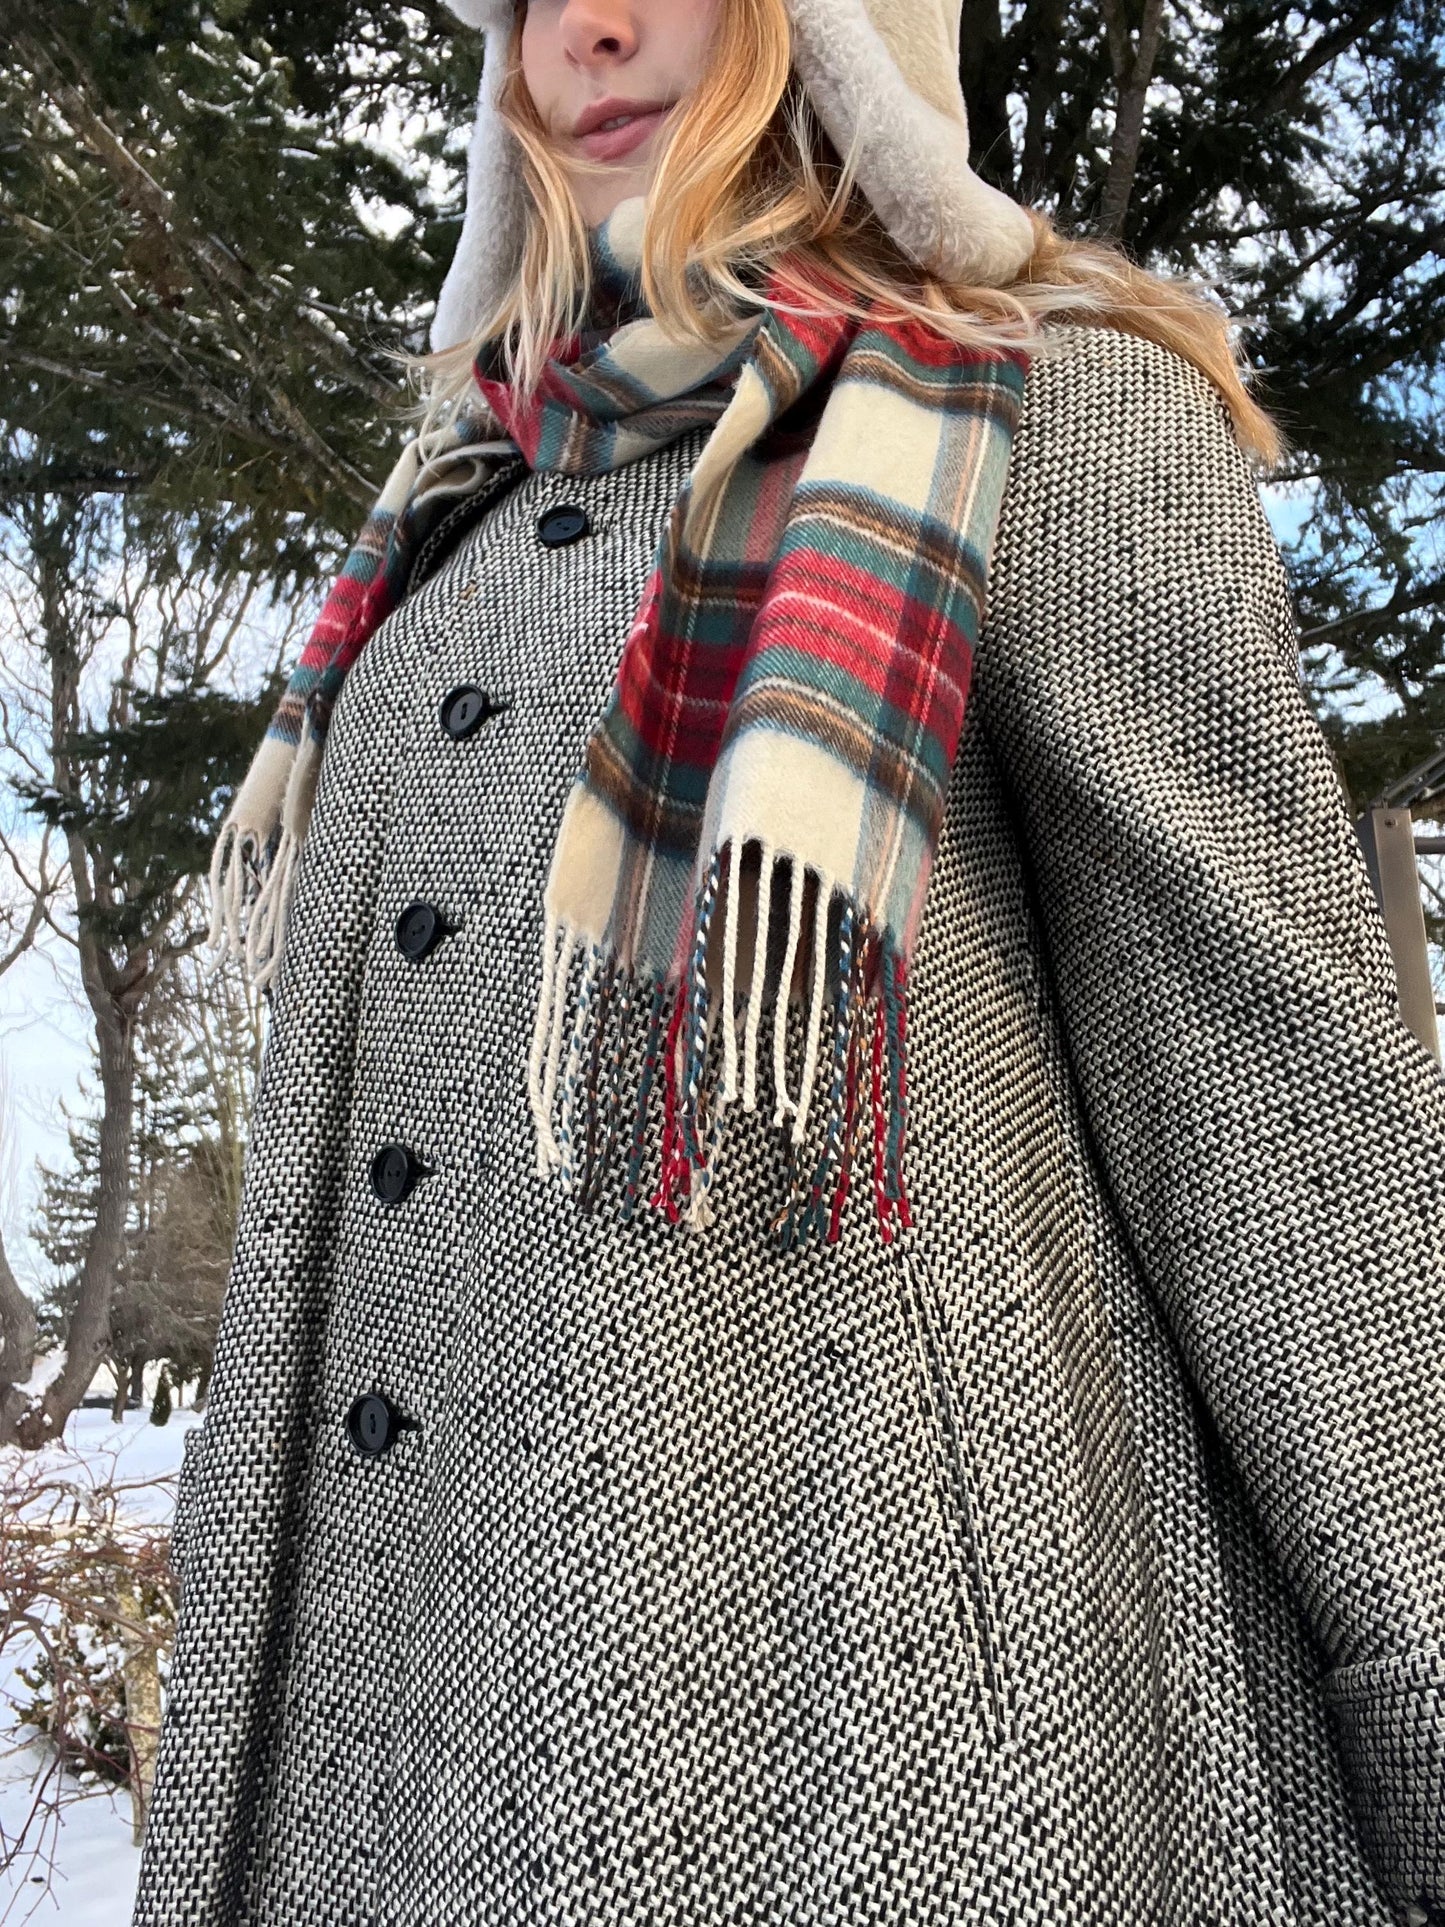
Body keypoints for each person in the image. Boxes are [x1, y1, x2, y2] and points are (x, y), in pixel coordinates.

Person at [132, 0, 1445, 1922]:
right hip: (390, 1778)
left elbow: (1280, 1117)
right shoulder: (445, 538)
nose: (582, 31)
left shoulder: (1041, 420)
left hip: (890, 1771)